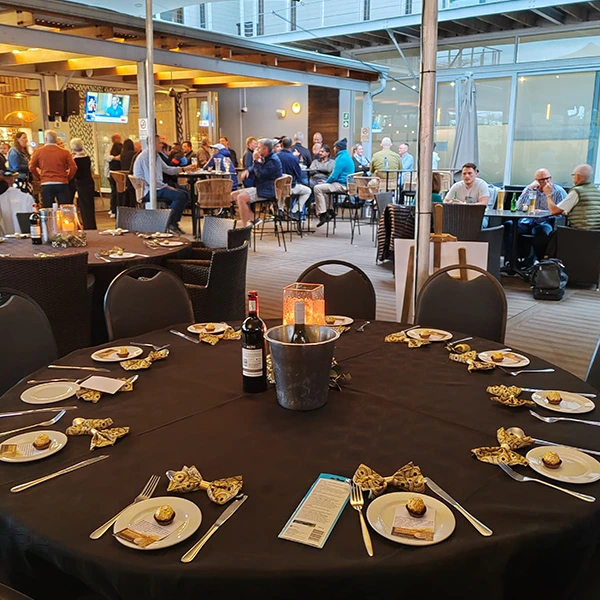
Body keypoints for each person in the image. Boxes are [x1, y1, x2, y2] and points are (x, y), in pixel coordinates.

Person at [503, 168, 566, 264]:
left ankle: (532, 262)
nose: (546, 182)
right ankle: (511, 261)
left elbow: (563, 211)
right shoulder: (530, 189)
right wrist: (529, 188)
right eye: (542, 180)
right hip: (527, 221)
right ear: (536, 181)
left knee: (541, 231)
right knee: (508, 226)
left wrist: (544, 212)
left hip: (546, 222)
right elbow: (518, 207)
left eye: (548, 178)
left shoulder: (558, 191)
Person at [132, 134, 190, 235]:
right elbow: (151, 180)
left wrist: (184, 169)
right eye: (159, 143)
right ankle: (169, 222)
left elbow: (167, 169)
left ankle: (172, 222)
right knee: (179, 195)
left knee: (185, 194)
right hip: (148, 190)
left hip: (156, 187)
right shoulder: (146, 158)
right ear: (152, 144)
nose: (162, 145)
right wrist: (167, 187)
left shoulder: (156, 156)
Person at [233, 138, 282, 227]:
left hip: (268, 190)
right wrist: (248, 170)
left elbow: (260, 174)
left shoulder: (272, 161)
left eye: (259, 148)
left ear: (265, 149)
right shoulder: (266, 157)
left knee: (241, 198)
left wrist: (255, 160)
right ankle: (254, 219)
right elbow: (256, 167)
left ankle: (245, 227)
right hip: (262, 187)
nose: (257, 149)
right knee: (234, 195)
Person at [29, 129, 77, 207]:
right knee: (65, 208)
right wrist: (68, 177)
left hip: (46, 183)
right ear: (56, 139)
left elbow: (31, 167)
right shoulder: (65, 152)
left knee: (48, 208)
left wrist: (40, 177)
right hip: (62, 183)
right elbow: (73, 167)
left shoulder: (38, 152)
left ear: (46, 139)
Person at [314, 137, 354, 227]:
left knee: (317, 188)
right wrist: (327, 182)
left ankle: (322, 214)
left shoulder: (341, 158)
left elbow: (334, 176)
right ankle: (330, 211)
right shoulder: (347, 156)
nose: (334, 149)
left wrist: (325, 182)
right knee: (324, 190)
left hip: (341, 185)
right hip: (346, 184)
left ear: (338, 148)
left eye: (335, 147)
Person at [547, 164, 600, 229]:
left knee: (552, 233)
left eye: (573, 175)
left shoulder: (577, 191)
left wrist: (548, 194)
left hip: (581, 231)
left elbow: (554, 211)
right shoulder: (596, 190)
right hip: (596, 231)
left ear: (577, 176)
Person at [278, 137, 311, 220]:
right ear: (291, 146)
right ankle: (294, 210)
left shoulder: (275, 156)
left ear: (281, 145)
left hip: (277, 188)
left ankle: (280, 209)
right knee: (308, 191)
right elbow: (298, 173)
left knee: (281, 188)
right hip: (291, 187)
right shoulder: (293, 159)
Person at [69, 138, 96, 230]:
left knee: (84, 206)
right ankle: (92, 225)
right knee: (90, 205)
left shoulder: (75, 160)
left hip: (81, 184)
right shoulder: (87, 158)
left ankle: (87, 226)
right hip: (89, 182)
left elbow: (75, 174)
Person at [104, 133, 122, 218]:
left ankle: (113, 209)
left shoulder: (117, 147)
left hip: (113, 172)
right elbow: (106, 157)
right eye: (119, 138)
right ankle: (113, 209)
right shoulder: (110, 147)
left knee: (114, 191)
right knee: (114, 191)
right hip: (112, 173)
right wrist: (115, 158)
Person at [119, 139, 137, 207]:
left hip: (123, 176)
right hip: (131, 174)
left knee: (126, 192)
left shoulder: (122, 154)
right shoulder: (134, 154)